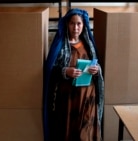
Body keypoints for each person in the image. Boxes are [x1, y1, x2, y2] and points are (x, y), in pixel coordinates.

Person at [43, 8, 104, 141]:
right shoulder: (59, 45)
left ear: (84, 25)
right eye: (72, 23)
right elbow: (50, 70)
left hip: (88, 96)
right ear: (67, 24)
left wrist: (96, 69)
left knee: (86, 131)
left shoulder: (89, 45)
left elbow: (97, 65)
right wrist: (66, 71)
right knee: (68, 129)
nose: (75, 27)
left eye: (79, 24)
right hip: (67, 98)